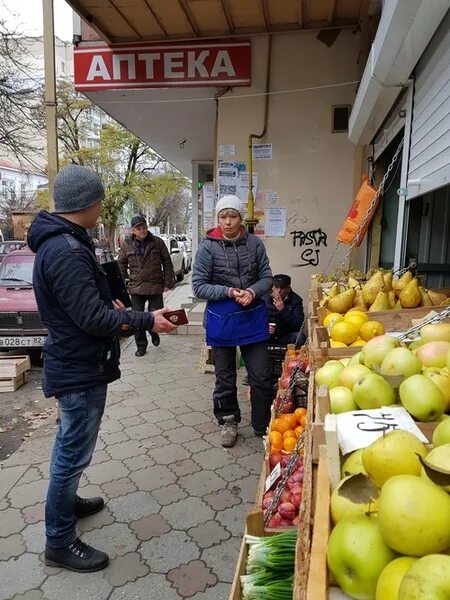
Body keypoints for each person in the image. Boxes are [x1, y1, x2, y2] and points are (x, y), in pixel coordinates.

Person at [27, 165, 177, 573]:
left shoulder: (68, 243)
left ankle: (68, 503)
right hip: (78, 366)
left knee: (72, 445)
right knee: (72, 451)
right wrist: (145, 319)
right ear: (88, 203)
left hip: (79, 361)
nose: (102, 207)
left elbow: (86, 307)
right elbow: (91, 319)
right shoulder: (66, 251)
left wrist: (114, 307)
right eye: (100, 200)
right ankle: (58, 540)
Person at [192, 195, 274, 447]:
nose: (228, 222)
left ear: (241, 218)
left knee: (261, 376)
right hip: (222, 320)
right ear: (218, 219)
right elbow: (198, 286)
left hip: (252, 317)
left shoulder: (255, 245)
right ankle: (228, 420)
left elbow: (267, 277)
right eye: (223, 217)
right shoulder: (208, 247)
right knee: (225, 377)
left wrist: (252, 291)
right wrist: (227, 291)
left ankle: (262, 425)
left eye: (233, 216)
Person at [118, 215, 175, 356]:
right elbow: (121, 265)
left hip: (155, 285)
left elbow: (167, 262)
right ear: (133, 230)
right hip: (136, 287)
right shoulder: (126, 245)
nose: (142, 230)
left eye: (144, 227)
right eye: (139, 228)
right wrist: (122, 284)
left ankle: (154, 332)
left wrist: (168, 282)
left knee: (156, 312)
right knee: (137, 318)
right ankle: (141, 345)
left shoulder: (157, 242)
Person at [265, 274, 306, 345]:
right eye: (276, 287)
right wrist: (264, 327)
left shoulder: (296, 300)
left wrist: (283, 310)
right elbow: (254, 320)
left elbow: (299, 325)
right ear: (272, 287)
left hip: (285, 336)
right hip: (266, 336)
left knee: (300, 337)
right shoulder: (264, 298)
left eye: (282, 288)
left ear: (288, 289)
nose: (279, 291)